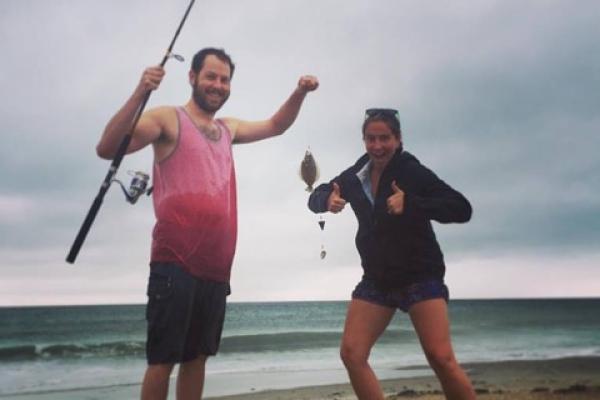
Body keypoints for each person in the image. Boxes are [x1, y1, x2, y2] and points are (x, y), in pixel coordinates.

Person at [97, 47, 318, 400]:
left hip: (216, 268)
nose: (218, 84)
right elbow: (108, 147)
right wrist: (141, 91)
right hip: (174, 263)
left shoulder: (228, 129)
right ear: (192, 77)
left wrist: (300, 92)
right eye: (211, 76)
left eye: (225, 79)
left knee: (197, 358)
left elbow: (276, 125)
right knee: (162, 359)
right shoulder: (167, 119)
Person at [308, 108, 476, 400]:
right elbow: (316, 196)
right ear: (364, 141)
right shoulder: (357, 174)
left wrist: (410, 203)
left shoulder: (411, 171)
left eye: (384, 138)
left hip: (419, 275)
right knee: (352, 353)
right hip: (377, 278)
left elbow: (461, 208)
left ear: (398, 139)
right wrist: (327, 199)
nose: (377, 146)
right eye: (371, 139)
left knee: (441, 358)